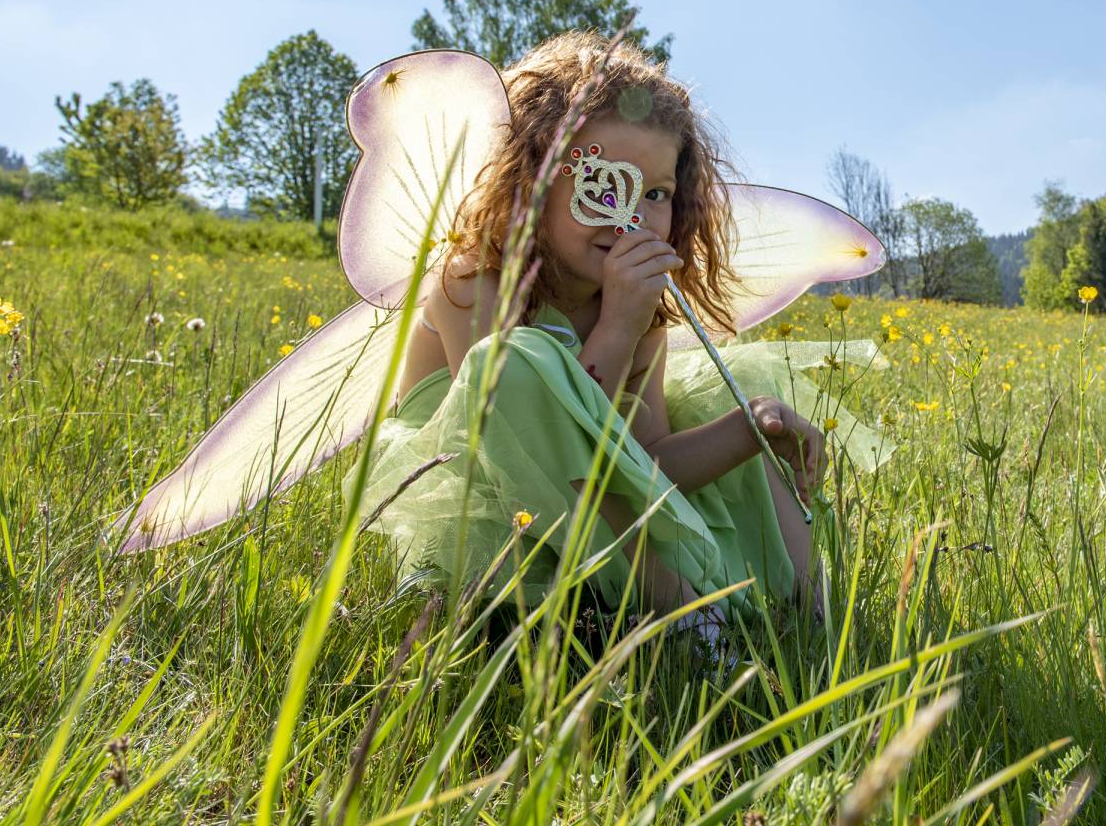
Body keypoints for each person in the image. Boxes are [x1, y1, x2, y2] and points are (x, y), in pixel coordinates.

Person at [346, 31, 887, 638]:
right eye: (602, 185)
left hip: (600, 513)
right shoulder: (474, 281)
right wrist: (616, 329)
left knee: (745, 419)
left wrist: (744, 431)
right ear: (532, 182)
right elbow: (528, 433)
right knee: (518, 363)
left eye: (655, 193)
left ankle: (812, 616)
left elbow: (643, 462)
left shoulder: (642, 310)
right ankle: (683, 620)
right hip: (497, 509)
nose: (631, 214)